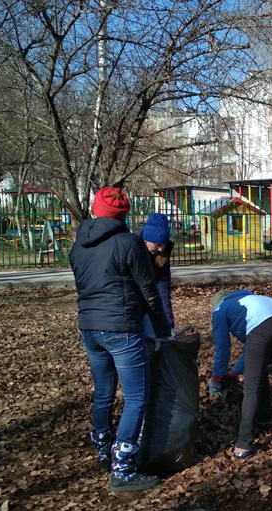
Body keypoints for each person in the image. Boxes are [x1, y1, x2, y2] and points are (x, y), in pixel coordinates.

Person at [69, 187, 171, 493]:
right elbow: (148, 290)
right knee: (136, 398)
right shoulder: (130, 243)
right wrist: (163, 330)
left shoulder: (77, 246)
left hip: (89, 328)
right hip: (122, 330)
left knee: (103, 394)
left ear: (95, 209)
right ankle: (123, 470)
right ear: (124, 215)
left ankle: (104, 451)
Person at [208, 290, 272, 459]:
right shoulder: (246, 300)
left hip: (265, 325)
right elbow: (251, 351)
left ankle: (244, 443)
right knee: (259, 370)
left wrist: (216, 378)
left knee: (251, 385)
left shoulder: (220, 309)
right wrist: (234, 372)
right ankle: (264, 418)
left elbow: (222, 349)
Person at [138, 212, 175, 338]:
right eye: (157, 245)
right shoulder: (133, 250)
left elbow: (163, 290)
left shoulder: (163, 255)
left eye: (163, 245)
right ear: (146, 240)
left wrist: (168, 323)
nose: (161, 249)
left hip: (152, 302)